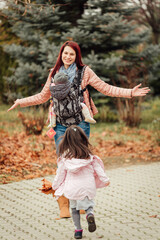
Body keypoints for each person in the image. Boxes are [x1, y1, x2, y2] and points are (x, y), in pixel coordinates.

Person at [8, 40, 150, 217]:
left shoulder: (85, 72)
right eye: (65, 53)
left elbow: (105, 88)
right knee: (63, 163)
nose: (68, 57)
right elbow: (43, 96)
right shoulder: (54, 73)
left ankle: (82, 201)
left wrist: (129, 93)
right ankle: (64, 205)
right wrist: (20, 102)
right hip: (59, 124)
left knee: (81, 162)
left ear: (76, 56)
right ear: (61, 54)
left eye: (71, 54)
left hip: (81, 122)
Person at [51, 125, 110, 239]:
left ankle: (78, 230)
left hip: (72, 188)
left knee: (74, 210)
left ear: (66, 140)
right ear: (83, 139)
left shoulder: (65, 158)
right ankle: (89, 214)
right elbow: (99, 169)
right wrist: (105, 180)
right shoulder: (89, 156)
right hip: (88, 186)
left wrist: (54, 186)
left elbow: (60, 175)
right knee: (89, 206)